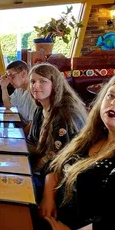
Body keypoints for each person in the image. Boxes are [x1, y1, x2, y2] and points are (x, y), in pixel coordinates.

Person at [39, 74, 115, 230]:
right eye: (111, 95)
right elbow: (54, 163)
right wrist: (48, 197)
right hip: (53, 215)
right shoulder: (93, 136)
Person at [26, 63, 87, 191]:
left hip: (62, 182)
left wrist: (48, 196)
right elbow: (32, 142)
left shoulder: (65, 116)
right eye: (32, 81)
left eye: (43, 81)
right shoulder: (39, 110)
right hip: (43, 170)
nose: (35, 86)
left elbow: (59, 160)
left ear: (55, 85)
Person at [0, 60, 37, 125]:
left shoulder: (35, 93)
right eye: (8, 77)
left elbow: (32, 125)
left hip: (27, 132)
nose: (10, 80)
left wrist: (20, 134)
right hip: (20, 124)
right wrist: (4, 87)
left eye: (12, 76)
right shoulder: (19, 89)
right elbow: (8, 105)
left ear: (23, 74)